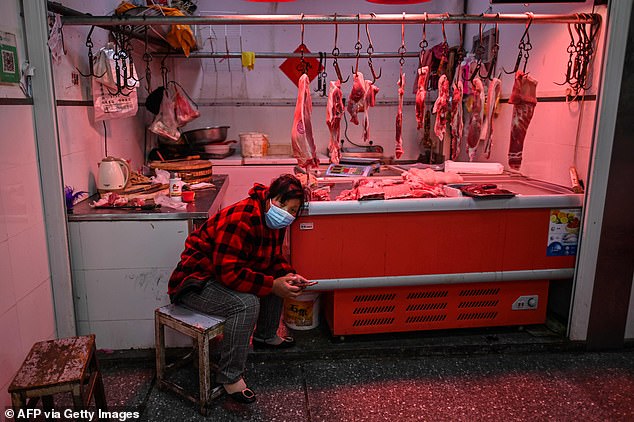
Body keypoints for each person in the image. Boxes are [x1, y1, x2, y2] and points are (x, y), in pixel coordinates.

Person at [167, 174, 315, 404]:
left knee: (279, 279)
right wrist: (272, 285)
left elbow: (273, 258)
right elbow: (229, 273)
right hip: (195, 282)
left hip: (222, 275)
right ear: (269, 197)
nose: (286, 212)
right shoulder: (240, 219)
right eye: (282, 203)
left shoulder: (276, 221)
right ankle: (229, 376)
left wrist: (287, 275)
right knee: (246, 304)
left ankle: (265, 336)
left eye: (293, 210)